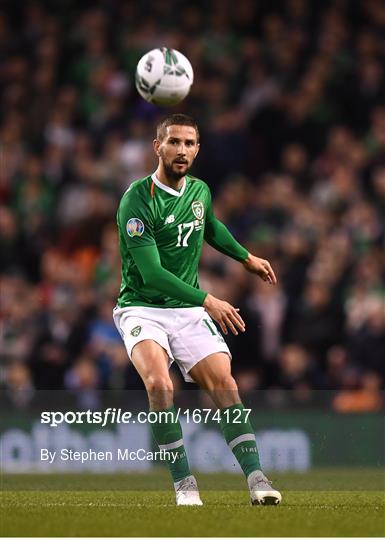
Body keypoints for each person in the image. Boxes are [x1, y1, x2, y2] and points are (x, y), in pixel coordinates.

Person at [113, 113, 282, 506]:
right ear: (158, 147)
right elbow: (152, 275)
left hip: (186, 309)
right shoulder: (137, 200)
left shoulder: (200, 191)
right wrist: (207, 298)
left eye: (189, 143)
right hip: (143, 307)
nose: (182, 150)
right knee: (159, 384)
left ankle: (257, 479)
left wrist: (245, 257)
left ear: (198, 149)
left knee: (225, 384)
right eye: (174, 142)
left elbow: (208, 225)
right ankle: (184, 485)